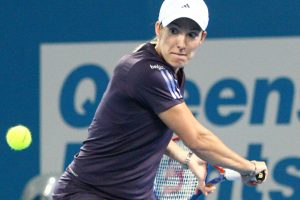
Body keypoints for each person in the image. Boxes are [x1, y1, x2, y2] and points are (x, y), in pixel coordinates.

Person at [53, 0, 268, 199]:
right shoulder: (148, 72)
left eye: (191, 34)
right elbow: (198, 139)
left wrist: (188, 159)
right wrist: (249, 168)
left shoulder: (168, 71)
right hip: (89, 193)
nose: (181, 43)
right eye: (173, 31)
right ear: (158, 29)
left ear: (202, 38)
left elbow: (143, 132)